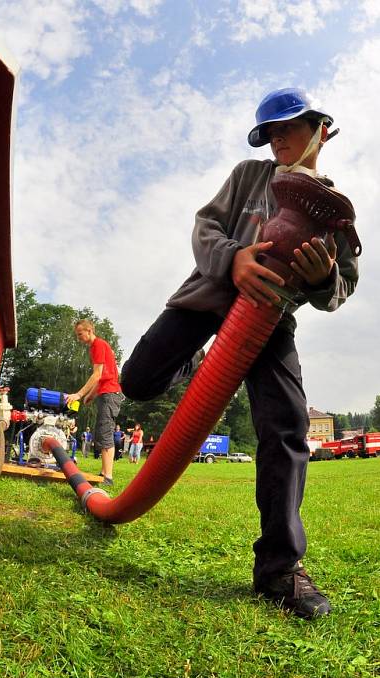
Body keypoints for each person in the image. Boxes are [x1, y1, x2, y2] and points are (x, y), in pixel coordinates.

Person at [121, 88, 359, 619]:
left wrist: (323, 280)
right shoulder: (249, 177)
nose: (277, 140)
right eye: (270, 133)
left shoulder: (334, 213)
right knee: (136, 381)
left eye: (288, 129)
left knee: (286, 430)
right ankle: (194, 365)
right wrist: (233, 261)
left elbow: (341, 290)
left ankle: (279, 570)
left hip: (269, 320)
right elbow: (205, 228)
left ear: (321, 129)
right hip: (207, 299)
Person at [67, 320, 123, 486]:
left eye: (80, 334)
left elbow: (97, 375)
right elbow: (102, 378)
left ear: (89, 330)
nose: (78, 338)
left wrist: (79, 394)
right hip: (106, 392)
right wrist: (91, 395)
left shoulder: (98, 345)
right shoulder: (97, 347)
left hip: (110, 394)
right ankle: (103, 473)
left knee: (105, 432)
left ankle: (108, 477)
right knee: (102, 431)